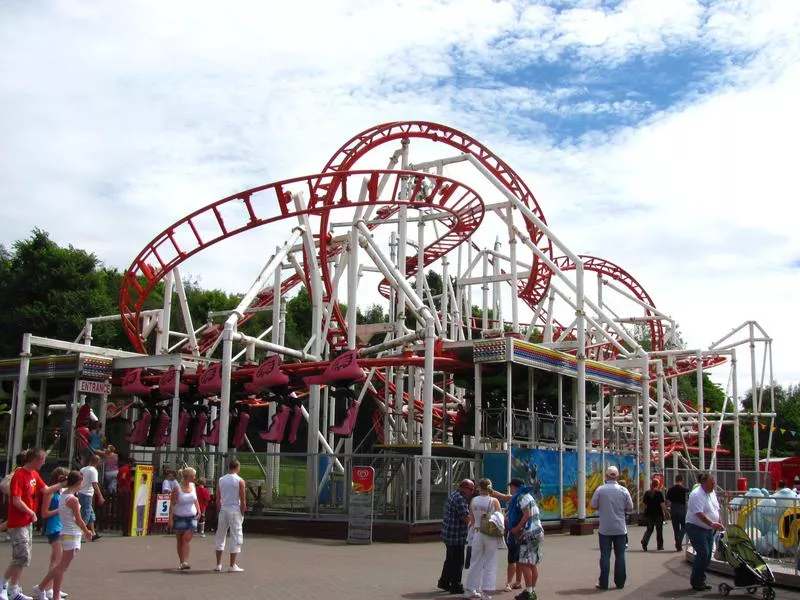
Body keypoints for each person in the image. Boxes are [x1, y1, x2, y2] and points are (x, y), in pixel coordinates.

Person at [0, 448, 67, 600]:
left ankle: (14, 589)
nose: (44, 463)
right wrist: (31, 512)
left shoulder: (34, 474)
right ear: (35, 460)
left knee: (23, 557)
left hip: (27, 522)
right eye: (42, 460)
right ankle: (3, 584)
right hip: (18, 521)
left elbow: (46, 490)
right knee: (22, 555)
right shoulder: (19, 475)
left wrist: (63, 484)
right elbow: (16, 500)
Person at [30, 471, 93, 600]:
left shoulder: (64, 494)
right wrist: (87, 531)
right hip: (71, 533)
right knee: (62, 566)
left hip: (67, 532)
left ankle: (51, 591)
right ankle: (45, 589)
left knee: (61, 565)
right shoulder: (73, 499)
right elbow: (79, 519)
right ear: (78, 483)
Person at [497, 478, 543, 600]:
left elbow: (526, 514)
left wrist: (517, 528)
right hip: (538, 531)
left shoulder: (521, 497)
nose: (510, 489)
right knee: (533, 563)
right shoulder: (529, 496)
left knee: (525, 563)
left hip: (528, 533)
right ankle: (532, 591)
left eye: (511, 487)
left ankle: (528, 592)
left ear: (515, 487)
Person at [589, 465, 633, 591]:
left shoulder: (600, 490)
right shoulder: (623, 490)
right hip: (620, 528)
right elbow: (630, 507)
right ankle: (620, 583)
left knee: (605, 556)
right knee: (620, 556)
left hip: (605, 528)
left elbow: (593, 506)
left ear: (606, 476)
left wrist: (603, 507)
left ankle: (604, 583)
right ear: (617, 476)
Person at [464, 478, 503, 600]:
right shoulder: (494, 500)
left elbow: (472, 519)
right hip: (490, 534)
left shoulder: (473, 500)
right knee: (490, 561)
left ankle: (470, 589)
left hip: (477, 533)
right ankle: (486, 592)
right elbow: (500, 518)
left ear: (479, 488)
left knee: (475, 561)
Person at [685, 472, 724, 591]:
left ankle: (700, 578)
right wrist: (712, 523)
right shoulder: (696, 495)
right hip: (695, 527)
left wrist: (719, 521)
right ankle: (696, 581)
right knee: (703, 553)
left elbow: (716, 508)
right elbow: (699, 513)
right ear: (704, 483)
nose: (714, 485)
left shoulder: (711, 492)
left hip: (708, 529)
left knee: (707, 556)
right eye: (711, 483)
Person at [37, 467, 70, 600]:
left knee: (55, 559)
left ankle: (51, 588)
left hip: (62, 526)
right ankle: (45, 588)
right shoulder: (50, 493)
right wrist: (59, 510)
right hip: (53, 527)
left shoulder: (63, 492)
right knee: (59, 559)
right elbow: (44, 514)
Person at [437, 479, 474, 595]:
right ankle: (456, 585)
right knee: (458, 562)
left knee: (450, 560)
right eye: (471, 490)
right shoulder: (460, 499)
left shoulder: (454, 494)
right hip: (456, 536)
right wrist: (478, 525)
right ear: (465, 488)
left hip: (448, 534)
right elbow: (466, 517)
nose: (471, 492)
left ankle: (444, 581)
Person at [214, 459, 246, 573]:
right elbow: (242, 498)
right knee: (236, 536)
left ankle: (218, 564)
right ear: (237, 467)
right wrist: (243, 510)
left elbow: (218, 497)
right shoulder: (239, 481)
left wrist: (219, 508)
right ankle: (232, 565)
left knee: (220, 535)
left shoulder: (221, 479)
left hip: (224, 509)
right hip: (234, 510)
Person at [169, 467, 201, 571]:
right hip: (180, 515)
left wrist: (199, 511)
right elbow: (172, 504)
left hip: (191, 515)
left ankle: (185, 561)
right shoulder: (177, 488)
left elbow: (195, 499)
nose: (195, 477)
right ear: (188, 476)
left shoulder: (193, 486)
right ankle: (182, 561)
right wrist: (170, 518)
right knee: (180, 539)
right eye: (193, 476)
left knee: (187, 538)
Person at [77, 455, 104, 541]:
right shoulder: (93, 471)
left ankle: (92, 533)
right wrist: (100, 496)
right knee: (86, 514)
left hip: (81, 492)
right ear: (97, 462)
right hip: (87, 494)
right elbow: (94, 484)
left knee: (90, 514)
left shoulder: (83, 469)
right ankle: (79, 533)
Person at [641, 478, 667, 551]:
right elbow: (662, 504)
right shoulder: (659, 493)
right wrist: (666, 512)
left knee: (649, 529)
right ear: (658, 485)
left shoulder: (647, 493)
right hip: (658, 514)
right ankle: (660, 546)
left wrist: (644, 512)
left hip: (649, 514)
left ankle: (645, 540)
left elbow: (644, 505)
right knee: (659, 531)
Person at [665, 474, 689, 551]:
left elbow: (667, 500)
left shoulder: (671, 489)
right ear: (682, 480)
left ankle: (678, 546)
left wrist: (668, 508)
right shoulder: (684, 489)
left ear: (675, 480)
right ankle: (679, 540)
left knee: (676, 528)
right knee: (685, 526)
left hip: (673, 508)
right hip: (682, 508)